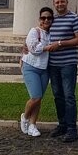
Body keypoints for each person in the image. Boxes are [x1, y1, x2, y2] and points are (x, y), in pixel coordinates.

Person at [48, 0, 78, 142]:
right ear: (54, 4)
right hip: (53, 64)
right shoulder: (52, 20)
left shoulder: (75, 18)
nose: (60, 4)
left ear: (67, 3)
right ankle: (62, 124)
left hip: (68, 63)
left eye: (62, 1)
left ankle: (72, 129)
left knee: (69, 96)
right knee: (58, 95)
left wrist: (60, 44)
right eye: (57, 2)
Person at [19, 7, 54, 137]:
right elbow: (33, 48)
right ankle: (25, 116)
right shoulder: (34, 31)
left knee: (39, 99)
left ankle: (33, 125)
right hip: (31, 66)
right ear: (39, 19)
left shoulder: (52, 33)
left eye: (49, 18)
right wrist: (48, 47)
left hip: (44, 69)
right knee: (36, 96)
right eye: (43, 18)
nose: (46, 20)